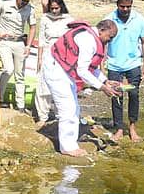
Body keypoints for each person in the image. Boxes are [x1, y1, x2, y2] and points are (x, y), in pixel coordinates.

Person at [42, 19, 120, 157]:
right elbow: (82, 71)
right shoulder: (88, 40)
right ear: (101, 30)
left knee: (75, 108)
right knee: (68, 109)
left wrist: (105, 81)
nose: (110, 41)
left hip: (64, 70)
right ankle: (67, 147)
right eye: (110, 37)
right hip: (56, 69)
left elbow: (92, 68)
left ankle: (70, 141)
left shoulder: (93, 38)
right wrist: (102, 87)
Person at [106, 0, 144, 142]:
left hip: (133, 64)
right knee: (116, 96)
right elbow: (103, 42)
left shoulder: (139, 19)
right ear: (117, 5)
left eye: (128, 6)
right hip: (114, 64)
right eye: (122, 6)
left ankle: (132, 128)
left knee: (134, 95)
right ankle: (119, 128)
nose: (125, 9)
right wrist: (100, 63)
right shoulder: (109, 20)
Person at [0, 0, 37, 113]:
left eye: (27, 0)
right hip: (4, 41)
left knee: (20, 74)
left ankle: (21, 105)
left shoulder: (30, 9)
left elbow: (32, 27)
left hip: (19, 42)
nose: (25, 2)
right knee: (8, 69)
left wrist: (28, 46)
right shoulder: (5, 3)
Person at [34, 0, 73, 126]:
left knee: (61, 85)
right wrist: (39, 59)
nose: (54, 11)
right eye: (52, 8)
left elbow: (72, 41)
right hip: (47, 53)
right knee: (43, 85)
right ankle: (42, 115)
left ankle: (60, 114)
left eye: (57, 8)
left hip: (63, 56)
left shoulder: (68, 20)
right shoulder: (45, 19)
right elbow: (41, 40)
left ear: (61, 7)